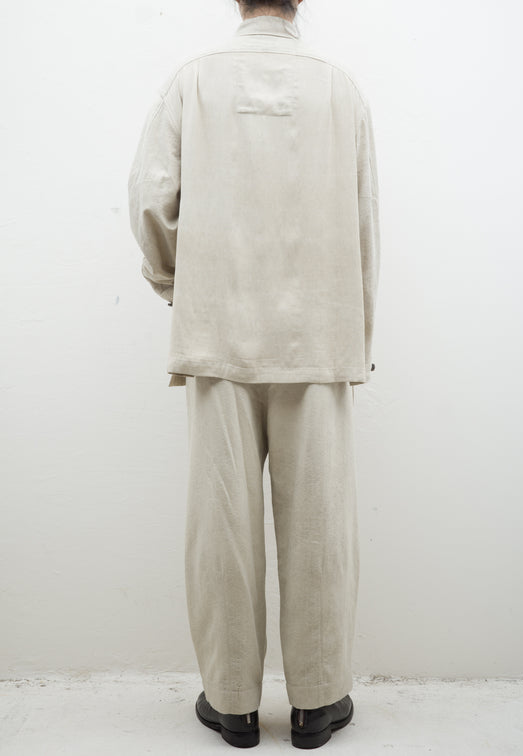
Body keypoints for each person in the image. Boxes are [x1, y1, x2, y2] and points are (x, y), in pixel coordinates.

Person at [127, 0, 381, 748]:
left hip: (218, 330)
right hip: (320, 336)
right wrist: (355, 337)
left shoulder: (193, 81)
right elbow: (365, 221)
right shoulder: (340, 87)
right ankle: (317, 704)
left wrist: (178, 285)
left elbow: (151, 198)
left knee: (221, 524)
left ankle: (232, 704)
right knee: (321, 525)